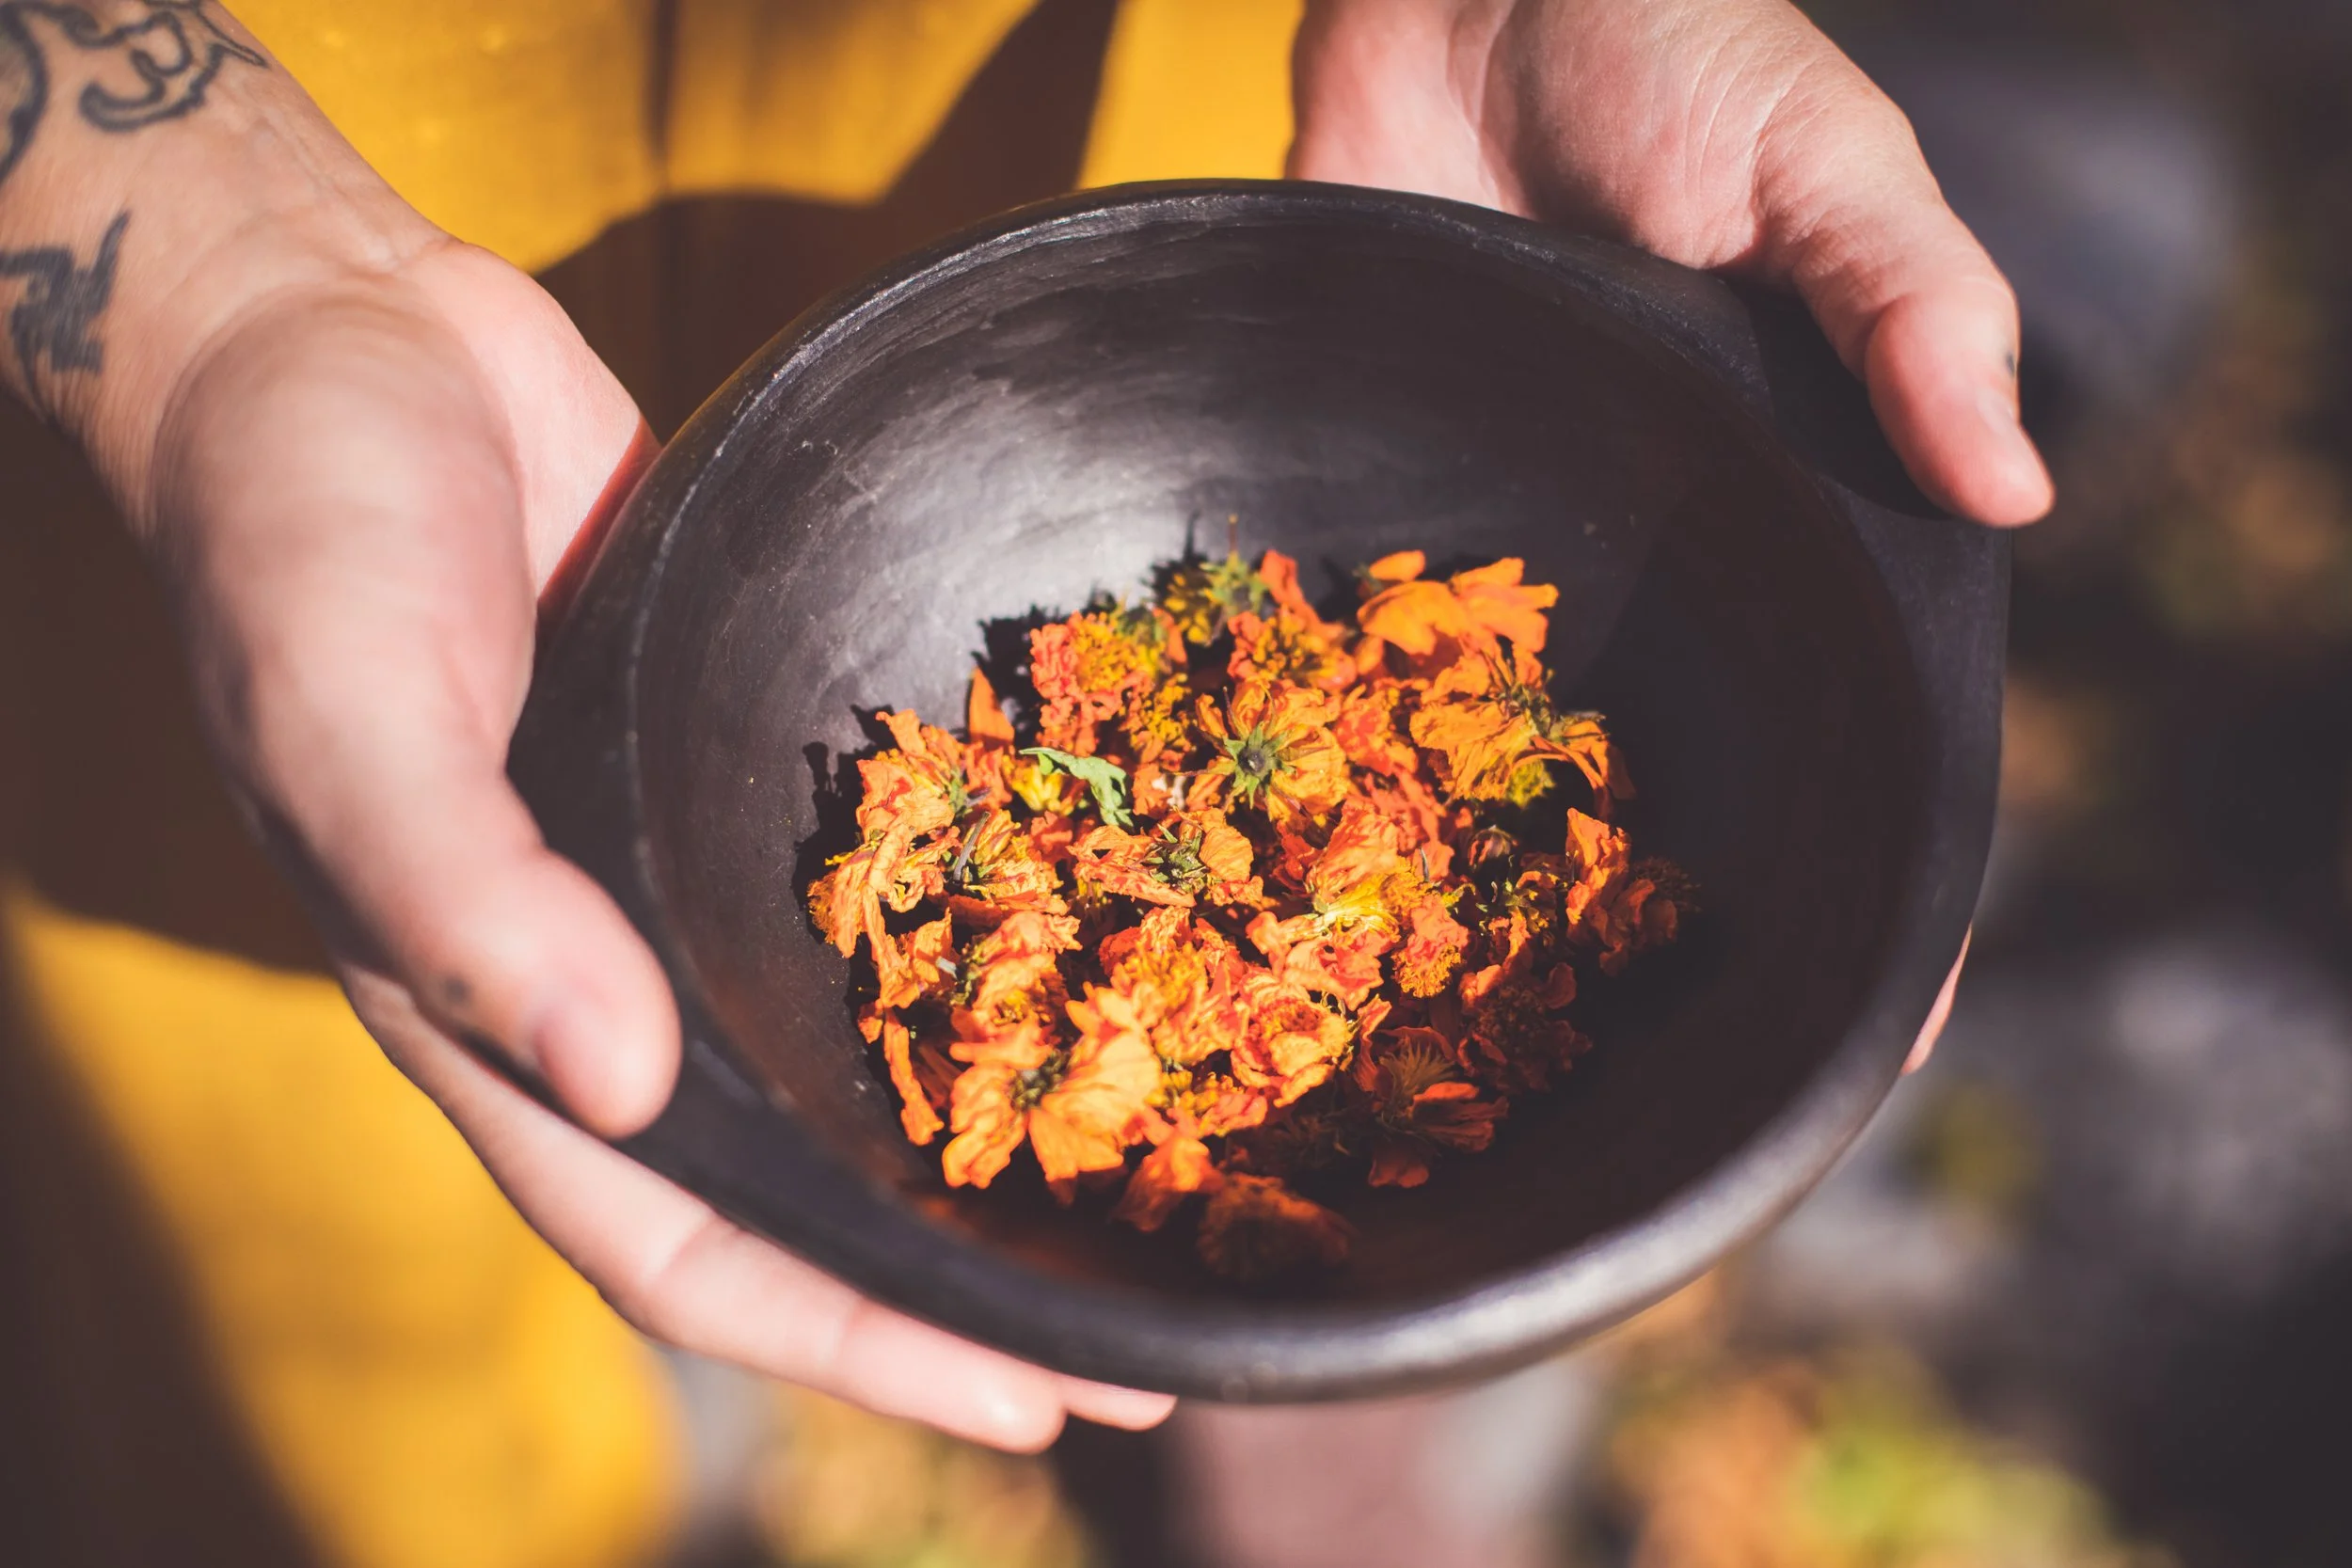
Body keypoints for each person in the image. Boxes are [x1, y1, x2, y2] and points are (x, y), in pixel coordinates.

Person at [0, 0, 2042, 1561]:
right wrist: (212, 276)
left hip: (1150, 71)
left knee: (1274, 1302)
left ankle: (1279, 1382)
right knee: (303, 1318)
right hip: (215, 373)